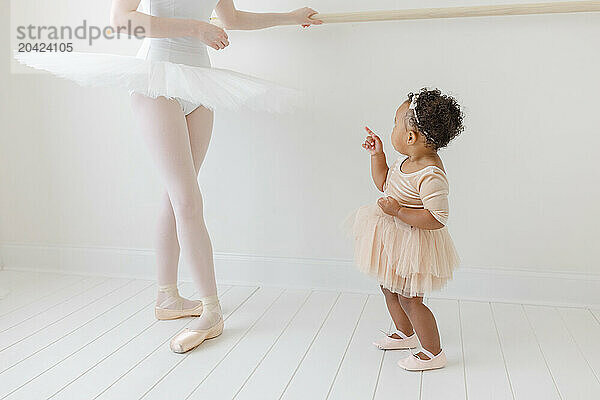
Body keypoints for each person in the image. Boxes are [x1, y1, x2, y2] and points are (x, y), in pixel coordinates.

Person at [15, 0, 322, 354]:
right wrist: (196, 29)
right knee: (187, 199)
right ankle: (211, 309)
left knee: (175, 198)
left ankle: (167, 297)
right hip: (155, 79)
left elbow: (232, 18)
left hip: (200, 85)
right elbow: (121, 20)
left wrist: (291, 17)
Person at [352, 88, 463, 371]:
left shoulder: (430, 173)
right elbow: (383, 182)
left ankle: (433, 351)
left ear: (411, 137)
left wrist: (399, 211)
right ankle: (406, 333)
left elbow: (437, 217)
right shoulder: (407, 161)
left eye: (394, 124)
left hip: (413, 243)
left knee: (411, 298)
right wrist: (378, 155)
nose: (392, 129)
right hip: (393, 238)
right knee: (389, 287)